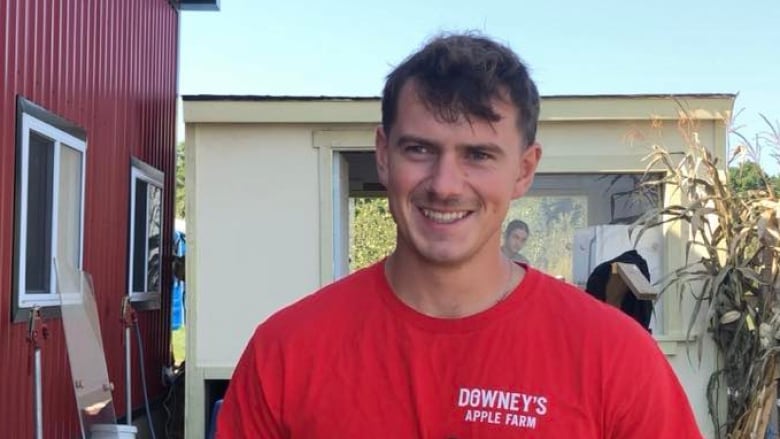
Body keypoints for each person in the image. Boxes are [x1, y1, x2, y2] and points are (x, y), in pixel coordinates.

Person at [217, 33, 703, 438]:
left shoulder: (614, 359)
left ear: (524, 169)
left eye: (479, 155)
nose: (446, 185)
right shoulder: (286, 354)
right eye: (420, 149)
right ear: (384, 155)